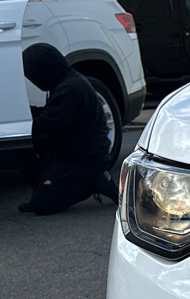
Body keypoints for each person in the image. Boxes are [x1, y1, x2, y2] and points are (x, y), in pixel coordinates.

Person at [19, 43, 117, 215]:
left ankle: (93, 181)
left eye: (34, 75)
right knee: (35, 187)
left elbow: (46, 124)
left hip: (83, 159)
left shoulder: (70, 89)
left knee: (44, 206)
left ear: (46, 71)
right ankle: (58, 183)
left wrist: (23, 119)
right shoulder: (67, 82)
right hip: (72, 152)